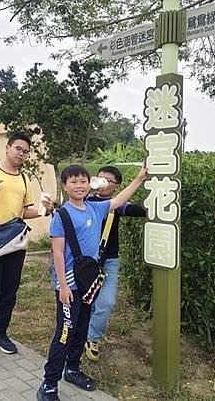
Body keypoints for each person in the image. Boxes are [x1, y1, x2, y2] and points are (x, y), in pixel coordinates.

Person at [37, 164, 147, 401]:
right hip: (69, 286)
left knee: (80, 329)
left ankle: (73, 369)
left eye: (83, 181)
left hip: (88, 284)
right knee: (64, 334)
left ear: (90, 184)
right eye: (73, 182)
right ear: (65, 187)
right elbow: (57, 253)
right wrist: (63, 288)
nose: (79, 186)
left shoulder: (96, 209)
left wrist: (139, 179)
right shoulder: (62, 215)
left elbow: (119, 200)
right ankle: (48, 384)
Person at [0, 132, 54, 375]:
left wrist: (44, 211)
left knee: (9, 293)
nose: (21, 153)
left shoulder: (24, 179)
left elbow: (23, 212)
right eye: (18, 148)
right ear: (7, 148)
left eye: (25, 151)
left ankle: (0, 333)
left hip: (15, 245)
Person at [85, 166, 146, 362]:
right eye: (99, 178)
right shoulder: (84, 199)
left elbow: (137, 210)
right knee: (88, 301)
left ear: (116, 186)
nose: (102, 182)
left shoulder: (116, 205)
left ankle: (92, 338)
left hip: (109, 261)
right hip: (86, 262)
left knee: (106, 302)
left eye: (107, 180)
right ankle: (84, 335)